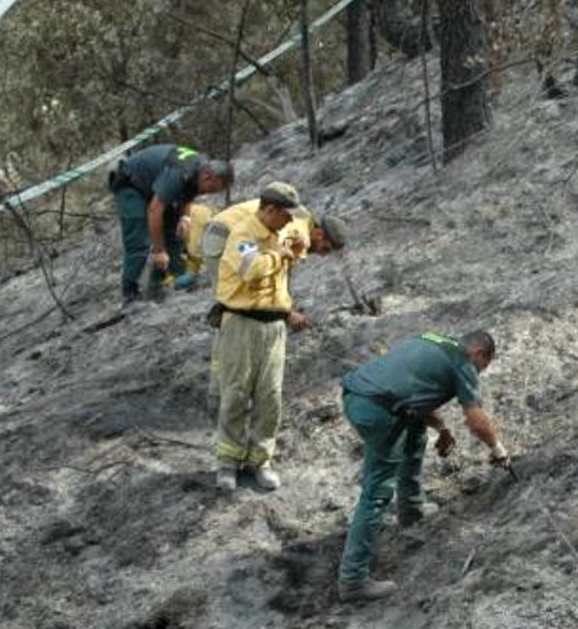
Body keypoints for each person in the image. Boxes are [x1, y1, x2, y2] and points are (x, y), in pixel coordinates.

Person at [337, 330, 509, 602]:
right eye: (483, 366)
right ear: (479, 354)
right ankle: (353, 579)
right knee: (377, 491)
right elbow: (477, 421)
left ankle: (412, 508)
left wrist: (441, 427)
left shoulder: (430, 339)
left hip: (357, 394)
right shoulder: (463, 363)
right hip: (377, 410)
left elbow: (411, 391)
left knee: (415, 430)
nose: (481, 372)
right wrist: (498, 450)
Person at [210, 182, 313, 492]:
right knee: (236, 392)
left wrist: (289, 310)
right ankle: (228, 460)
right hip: (243, 323)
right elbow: (251, 270)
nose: (289, 222)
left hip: (274, 326)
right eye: (285, 215)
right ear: (269, 210)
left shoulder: (278, 233)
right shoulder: (244, 234)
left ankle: (260, 460)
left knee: (270, 396)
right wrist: (277, 255)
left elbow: (282, 278)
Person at [203, 201, 349, 406]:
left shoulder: (300, 226)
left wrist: (285, 309)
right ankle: (221, 394)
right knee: (235, 310)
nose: (323, 255)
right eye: (326, 249)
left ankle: (229, 391)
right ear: (319, 234)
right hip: (227, 236)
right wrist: (286, 313)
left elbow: (277, 275)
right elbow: (268, 270)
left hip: (232, 235)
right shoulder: (295, 231)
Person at [108, 144, 232, 303]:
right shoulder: (178, 173)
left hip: (155, 186)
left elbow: (189, 192)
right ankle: (130, 292)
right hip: (131, 185)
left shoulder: (199, 169)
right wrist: (159, 251)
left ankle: (162, 280)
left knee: (175, 233)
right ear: (207, 176)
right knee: (139, 240)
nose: (207, 194)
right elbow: (154, 211)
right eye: (210, 189)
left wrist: (185, 218)